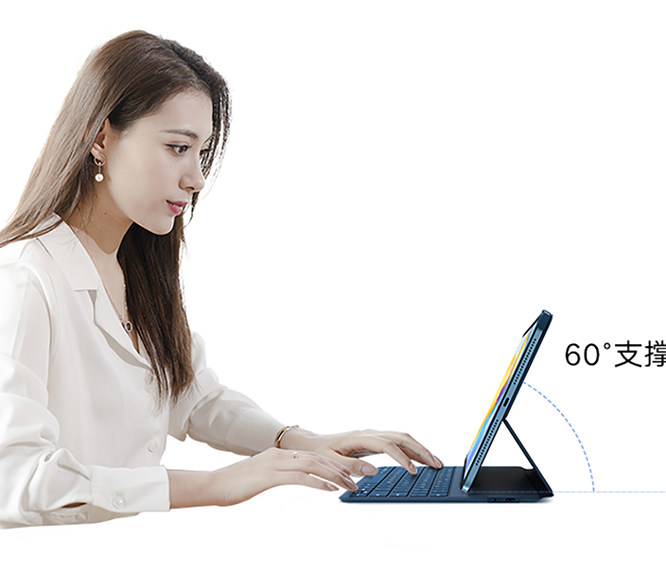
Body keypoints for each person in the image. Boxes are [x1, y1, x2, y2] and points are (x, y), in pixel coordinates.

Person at [0, 30, 441, 528]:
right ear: (101, 138)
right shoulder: (22, 281)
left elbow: (192, 396)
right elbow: (13, 479)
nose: (196, 178)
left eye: (201, 152)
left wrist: (302, 442)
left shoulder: (133, 267)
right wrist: (216, 485)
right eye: (177, 147)